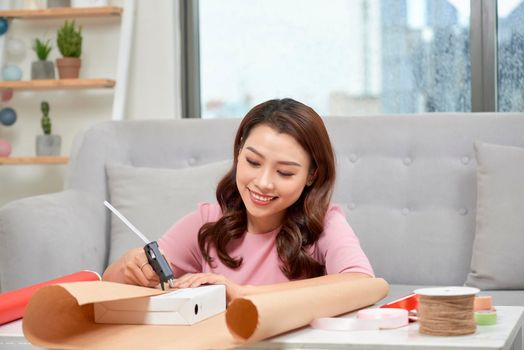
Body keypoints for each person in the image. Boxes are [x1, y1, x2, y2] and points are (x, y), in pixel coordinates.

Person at [102, 98, 374, 302]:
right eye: (253, 162)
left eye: (285, 172)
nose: (263, 182)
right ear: (238, 153)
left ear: (312, 175)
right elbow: (109, 281)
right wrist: (129, 266)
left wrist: (244, 293)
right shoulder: (208, 222)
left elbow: (364, 284)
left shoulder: (324, 225)